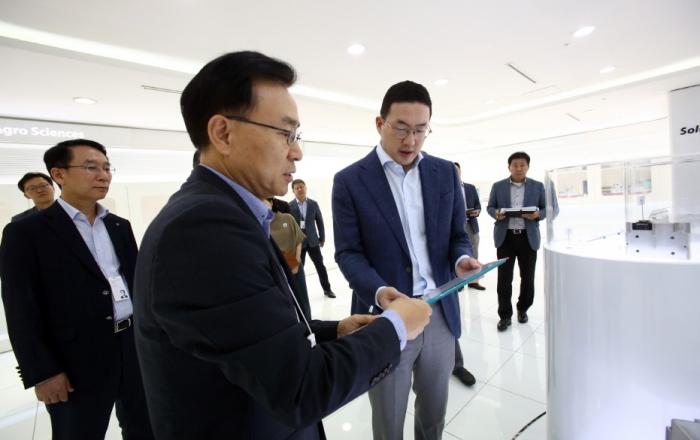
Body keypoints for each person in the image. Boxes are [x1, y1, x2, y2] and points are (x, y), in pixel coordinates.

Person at [132, 51, 432, 440]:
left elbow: (252, 335)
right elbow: (301, 389)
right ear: (223, 133)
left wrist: (333, 330)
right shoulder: (202, 228)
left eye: (297, 135)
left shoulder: (235, 214)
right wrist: (396, 325)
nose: (297, 151)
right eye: (285, 133)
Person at [332, 80, 481, 440]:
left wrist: (461, 258)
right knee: (389, 418)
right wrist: (379, 291)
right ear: (379, 123)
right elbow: (348, 252)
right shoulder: (350, 181)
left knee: (434, 412)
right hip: (386, 318)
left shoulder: (445, 173)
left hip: (439, 312)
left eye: (420, 130)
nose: (410, 140)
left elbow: (457, 235)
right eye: (401, 128)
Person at [0, 139, 154, 440]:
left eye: (107, 168)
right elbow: (20, 307)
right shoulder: (26, 232)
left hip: (131, 347)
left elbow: (134, 285)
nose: (103, 175)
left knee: (145, 428)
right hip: (73, 360)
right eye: (91, 167)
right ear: (59, 174)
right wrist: (42, 372)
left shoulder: (119, 226)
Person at [487, 151, 546, 332]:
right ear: (509, 167)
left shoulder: (538, 186)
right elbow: (490, 206)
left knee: (527, 277)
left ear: (528, 167)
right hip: (506, 238)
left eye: (522, 165)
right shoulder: (498, 186)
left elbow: (548, 208)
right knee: (504, 279)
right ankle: (505, 315)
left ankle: (523, 309)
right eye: (515, 165)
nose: (519, 168)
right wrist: (496, 213)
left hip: (528, 238)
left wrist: (538, 215)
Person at [289, 179, 336, 298]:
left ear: (305, 188)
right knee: (298, 269)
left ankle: (327, 289)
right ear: (293, 191)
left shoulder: (313, 204)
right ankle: (297, 293)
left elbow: (320, 221)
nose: (300, 189)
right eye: (297, 188)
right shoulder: (289, 206)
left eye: (302, 187)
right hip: (298, 244)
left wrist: (322, 237)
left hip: (313, 241)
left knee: (320, 266)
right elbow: (288, 227)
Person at [267, 197, 312, 318]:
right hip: (274, 264)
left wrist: (296, 261)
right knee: (284, 301)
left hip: (290, 258)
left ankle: (309, 324)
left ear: (271, 203)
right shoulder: (261, 223)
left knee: (302, 299)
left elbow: (298, 240)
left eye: (264, 201)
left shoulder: (286, 218)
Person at [454, 162, 484, 290]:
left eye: (457, 170)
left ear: (460, 171)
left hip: (471, 224)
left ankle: (473, 281)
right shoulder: (446, 187)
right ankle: (459, 283)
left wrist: (476, 211)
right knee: (457, 254)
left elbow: (478, 205)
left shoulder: (470, 188)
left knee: (474, 252)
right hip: (455, 226)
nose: (455, 173)